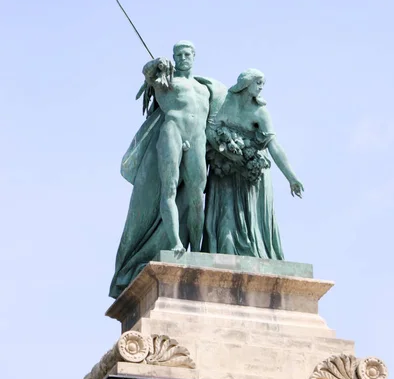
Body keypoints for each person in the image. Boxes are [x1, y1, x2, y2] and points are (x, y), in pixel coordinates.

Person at [109, 41, 226, 299]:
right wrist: (157, 64)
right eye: (179, 55)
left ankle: (196, 248)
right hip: (172, 132)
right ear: (175, 57)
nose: (184, 58)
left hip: (197, 139)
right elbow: (147, 73)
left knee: (197, 195)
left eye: (188, 54)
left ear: (194, 57)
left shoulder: (204, 88)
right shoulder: (166, 81)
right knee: (170, 190)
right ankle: (175, 243)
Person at [203, 68, 303, 259]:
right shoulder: (223, 102)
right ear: (246, 84)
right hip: (224, 171)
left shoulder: (260, 112)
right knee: (226, 225)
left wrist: (291, 177)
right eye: (258, 83)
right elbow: (209, 130)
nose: (261, 87)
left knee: (252, 228)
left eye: (262, 84)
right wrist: (227, 151)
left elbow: (274, 146)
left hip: (251, 174)